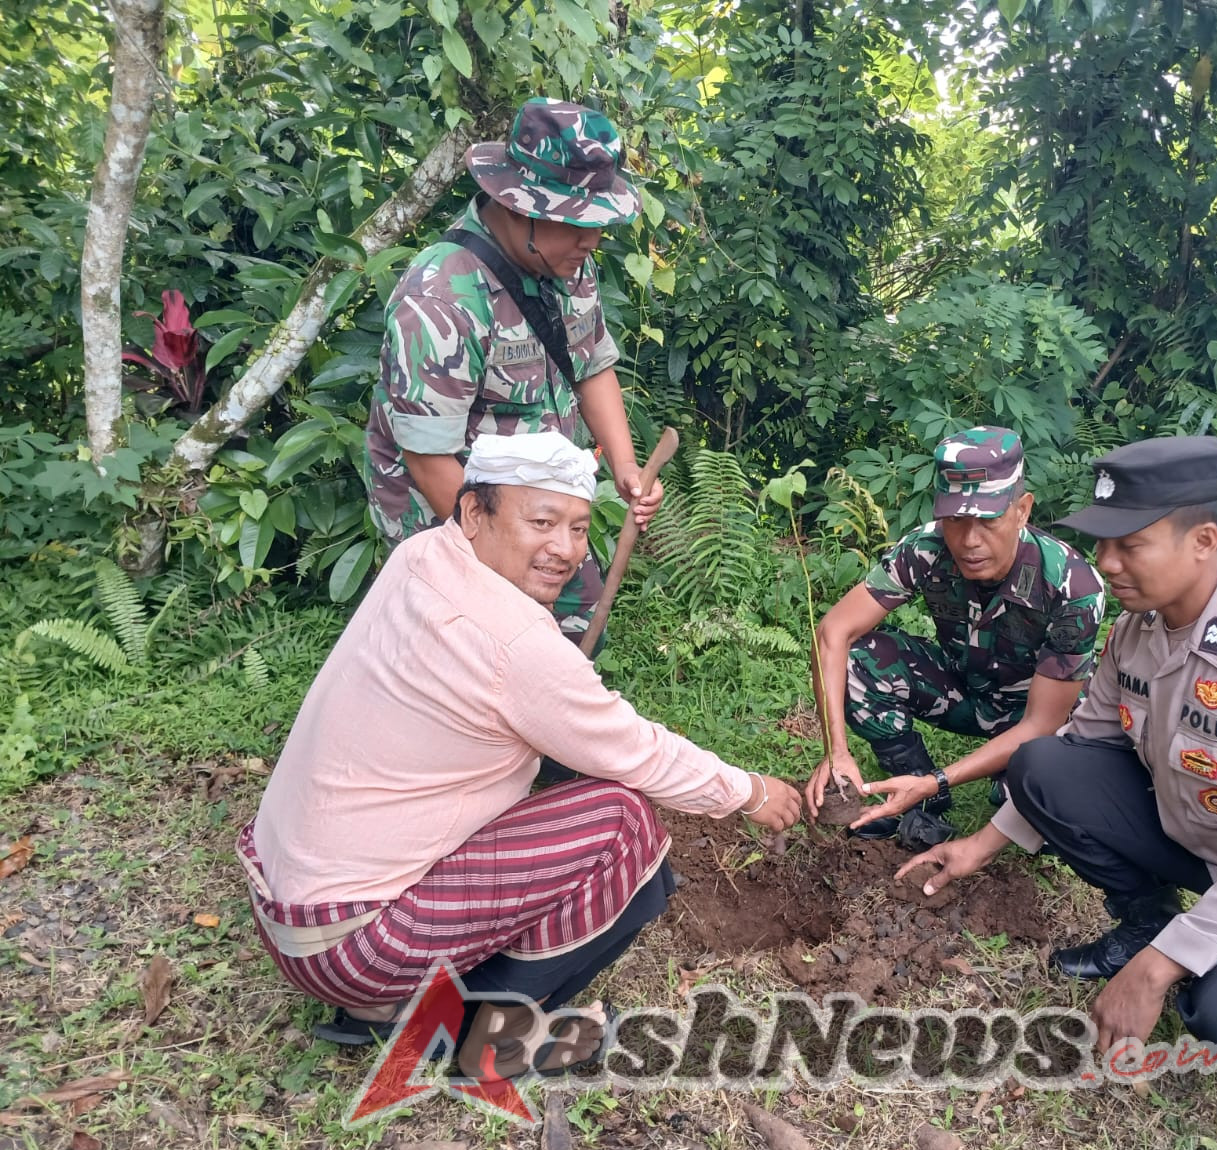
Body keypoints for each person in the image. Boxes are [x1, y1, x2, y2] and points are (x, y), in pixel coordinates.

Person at [239, 431, 801, 1078]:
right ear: (475, 512)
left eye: (579, 528)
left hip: (283, 906)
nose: (564, 550)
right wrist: (753, 792)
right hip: (350, 945)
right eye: (541, 522)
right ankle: (470, 1032)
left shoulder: (421, 555)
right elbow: (639, 753)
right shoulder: (517, 644)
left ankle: (388, 1005)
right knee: (623, 823)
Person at [897, 435, 1217, 1089]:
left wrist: (1155, 969)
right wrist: (982, 844)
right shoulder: (1135, 632)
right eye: (1102, 543)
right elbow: (1077, 748)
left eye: (1130, 544)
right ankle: (1152, 922)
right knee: (1042, 765)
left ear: (1202, 541)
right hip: (1208, 845)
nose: (1106, 562)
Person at [365, 96, 663, 644]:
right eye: (575, 223)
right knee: (476, 650)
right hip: (454, 508)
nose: (591, 240)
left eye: (597, 224)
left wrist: (625, 466)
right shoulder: (440, 297)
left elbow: (591, 364)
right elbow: (429, 459)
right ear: (518, 205)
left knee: (570, 627)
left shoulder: (567, 261)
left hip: (535, 503)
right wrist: (500, 566)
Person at [804, 427, 1106, 849]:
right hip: (965, 691)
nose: (969, 541)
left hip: (1035, 719)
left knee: (1040, 797)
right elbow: (833, 632)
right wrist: (836, 750)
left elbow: (1044, 722)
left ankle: (962, 786)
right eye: (955, 520)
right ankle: (917, 798)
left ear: (1022, 510)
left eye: (987, 520)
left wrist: (938, 779)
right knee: (858, 659)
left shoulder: (1072, 586)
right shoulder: (925, 549)